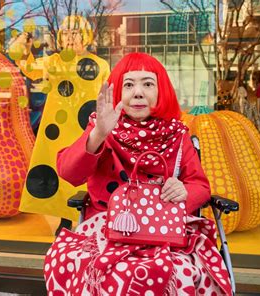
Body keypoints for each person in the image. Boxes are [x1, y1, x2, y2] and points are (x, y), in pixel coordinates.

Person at [44, 53, 232, 295]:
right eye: (129, 84)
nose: (138, 92)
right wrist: (98, 134)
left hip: (165, 230)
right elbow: (69, 173)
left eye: (148, 83)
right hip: (108, 226)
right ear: (117, 93)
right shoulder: (103, 127)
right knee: (90, 265)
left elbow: (200, 185)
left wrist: (184, 192)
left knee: (181, 270)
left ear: (160, 90)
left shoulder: (177, 135)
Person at [14, 15, 111, 221]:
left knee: (84, 168)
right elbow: (29, 69)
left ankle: (86, 217)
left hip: (84, 127)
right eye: (65, 32)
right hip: (57, 128)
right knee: (59, 169)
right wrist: (24, 48)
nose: (69, 37)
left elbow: (107, 95)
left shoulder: (100, 65)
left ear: (85, 36)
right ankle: (65, 219)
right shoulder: (53, 62)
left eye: (74, 32)